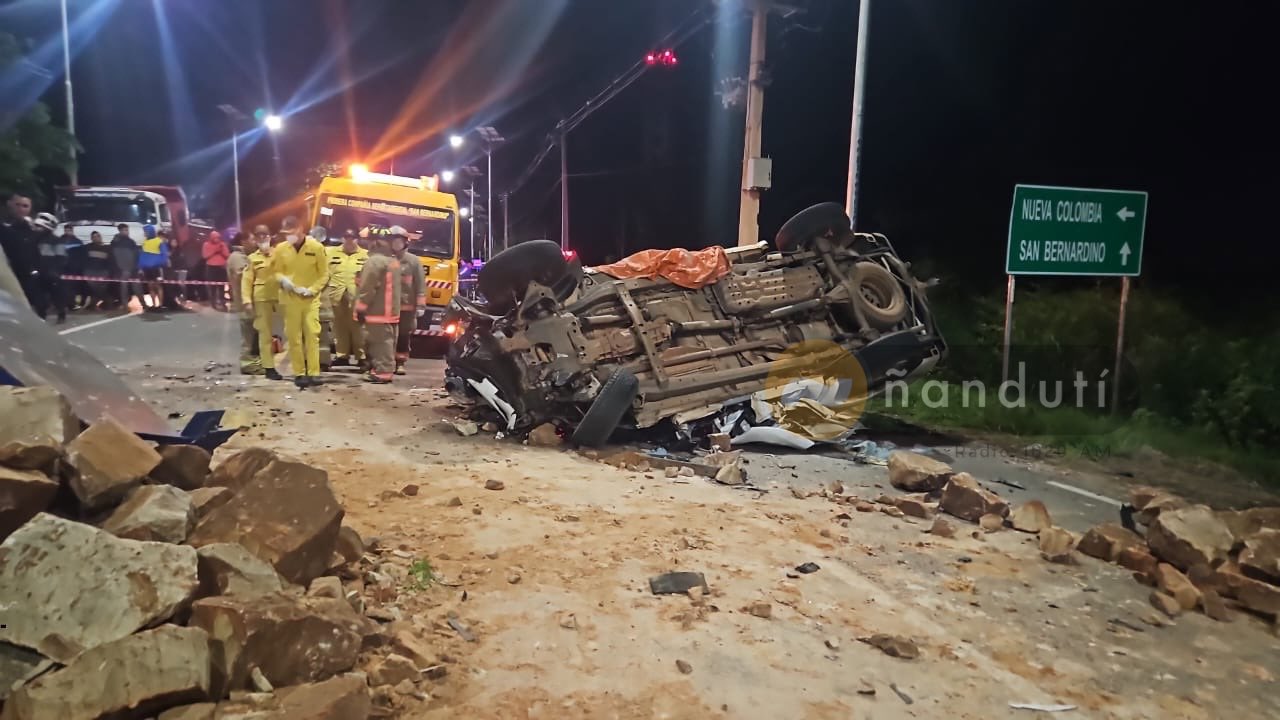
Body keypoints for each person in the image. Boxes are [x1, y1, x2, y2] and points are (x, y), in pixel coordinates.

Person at [269, 217, 329, 388]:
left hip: (310, 299)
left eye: (291, 233)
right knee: (294, 337)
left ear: (300, 229)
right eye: (286, 234)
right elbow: (276, 271)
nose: (288, 236)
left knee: (312, 334)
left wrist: (312, 289)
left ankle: (314, 372)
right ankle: (299, 373)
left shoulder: (316, 247)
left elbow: (324, 273)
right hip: (290, 299)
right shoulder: (281, 249)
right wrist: (283, 280)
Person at [356, 228, 402, 383]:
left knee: (381, 342)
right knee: (387, 341)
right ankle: (381, 368)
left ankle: (382, 372)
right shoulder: (392, 261)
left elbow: (368, 287)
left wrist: (361, 306)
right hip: (390, 310)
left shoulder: (375, 261)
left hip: (378, 310)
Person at [241, 225, 283, 380]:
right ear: (255, 239)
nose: (262, 238)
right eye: (259, 236)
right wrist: (247, 301)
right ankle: (269, 367)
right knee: (265, 335)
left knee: (291, 331)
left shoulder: (279, 254)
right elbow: (246, 281)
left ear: (270, 236)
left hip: (281, 298)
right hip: (261, 299)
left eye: (265, 235)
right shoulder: (252, 258)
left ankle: (301, 366)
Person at [325, 229, 368, 369]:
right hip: (336, 295)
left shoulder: (366, 256)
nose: (350, 240)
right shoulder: (330, 253)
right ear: (342, 238)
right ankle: (342, 355)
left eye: (353, 237)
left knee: (358, 327)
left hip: (356, 296)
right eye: (347, 237)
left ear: (358, 239)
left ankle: (361, 357)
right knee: (338, 326)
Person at [390, 226, 426, 375]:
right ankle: (381, 362)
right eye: (393, 241)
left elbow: (420, 284)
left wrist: (420, 306)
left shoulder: (413, 261)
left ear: (405, 243)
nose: (396, 245)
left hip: (406, 307)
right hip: (387, 306)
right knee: (385, 336)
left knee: (403, 336)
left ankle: (400, 362)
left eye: (399, 241)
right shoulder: (385, 259)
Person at [226, 232, 260, 374]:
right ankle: (248, 365)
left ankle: (254, 363)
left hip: (249, 302)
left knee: (253, 335)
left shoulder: (241, 257)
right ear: (243, 240)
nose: (255, 242)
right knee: (248, 337)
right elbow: (243, 277)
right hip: (245, 303)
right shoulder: (237, 258)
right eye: (252, 239)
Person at [0, 193, 38, 305]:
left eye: (25, 206)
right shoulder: (4, 228)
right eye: (18, 205)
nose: (21, 209)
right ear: (9, 204)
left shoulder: (33, 230)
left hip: (29, 278)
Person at [32, 212, 68, 322]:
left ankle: (61, 314)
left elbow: (62, 257)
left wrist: (56, 271)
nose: (38, 228)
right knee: (39, 296)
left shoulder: (56, 240)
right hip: (38, 272)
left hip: (52, 273)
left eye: (40, 226)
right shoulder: (34, 239)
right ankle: (41, 316)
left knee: (56, 295)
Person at [111, 223, 142, 308]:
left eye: (127, 230)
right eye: (125, 230)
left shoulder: (131, 242)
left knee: (137, 288)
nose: (127, 232)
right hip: (123, 269)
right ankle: (125, 305)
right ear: (120, 231)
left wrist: (137, 267)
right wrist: (117, 269)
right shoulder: (115, 242)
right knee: (123, 289)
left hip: (132, 269)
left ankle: (143, 304)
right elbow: (113, 257)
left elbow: (136, 255)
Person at [83, 230, 113, 308]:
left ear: (100, 237)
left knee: (101, 288)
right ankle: (107, 301)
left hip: (103, 272)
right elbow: (84, 260)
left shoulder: (107, 248)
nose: (96, 238)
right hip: (90, 272)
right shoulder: (87, 247)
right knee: (95, 288)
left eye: (97, 236)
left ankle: (96, 303)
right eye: (94, 237)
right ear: (91, 238)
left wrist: (108, 272)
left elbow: (110, 261)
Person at [202, 231, 230, 310]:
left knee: (222, 286)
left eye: (218, 237)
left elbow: (227, 255)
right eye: (215, 238)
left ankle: (223, 302)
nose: (216, 239)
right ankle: (213, 303)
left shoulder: (222, 244)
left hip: (221, 267)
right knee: (212, 287)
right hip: (211, 267)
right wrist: (215, 251)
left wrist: (221, 250)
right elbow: (205, 256)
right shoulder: (206, 245)